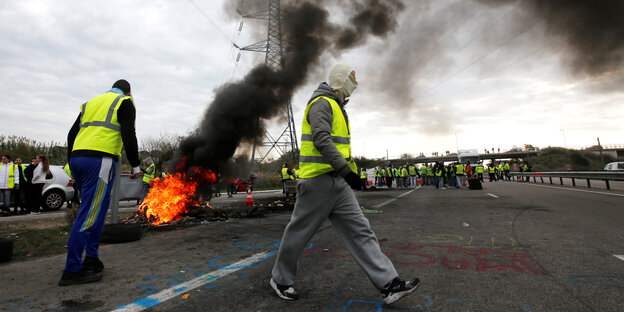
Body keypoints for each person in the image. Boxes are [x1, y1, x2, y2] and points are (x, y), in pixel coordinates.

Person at [270, 64, 419, 304]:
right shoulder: (322, 103)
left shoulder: (337, 107)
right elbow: (321, 138)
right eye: (351, 78)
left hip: (338, 184)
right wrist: (347, 172)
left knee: (361, 231)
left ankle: (389, 284)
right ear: (339, 79)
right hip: (317, 183)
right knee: (298, 234)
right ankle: (280, 279)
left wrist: (349, 176)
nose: (355, 83)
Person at [62, 79, 141, 286]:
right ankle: (72, 269)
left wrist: (71, 159)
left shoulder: (91, 103)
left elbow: (72, 134)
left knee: (97, 209)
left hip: (79, 158)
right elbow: (128, 133)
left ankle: (92, 259)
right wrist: (136, 165)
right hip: (100, 160)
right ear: (128, 91)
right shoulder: (124, 102)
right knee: (89, 213)